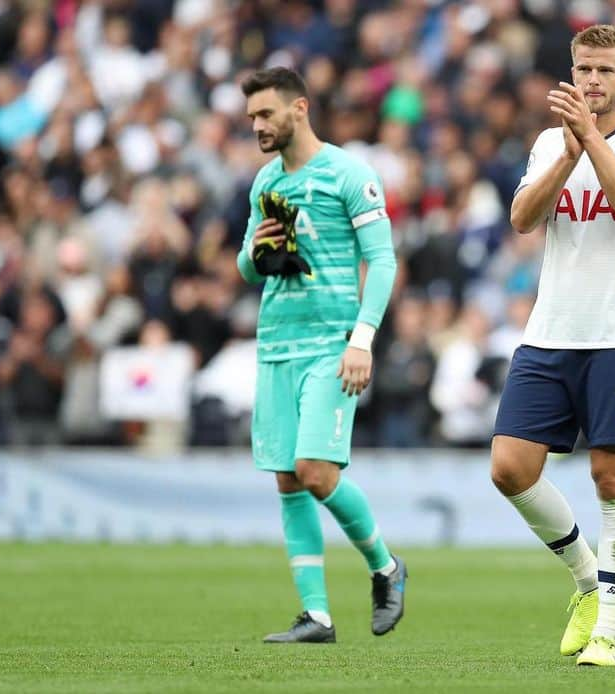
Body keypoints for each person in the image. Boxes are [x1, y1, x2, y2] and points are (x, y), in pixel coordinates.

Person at [489, 25, 615, 667]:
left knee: (612, 479)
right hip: (549, 333)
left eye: (604, 71)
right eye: (582, 70)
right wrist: (568, 152)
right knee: (509, 468)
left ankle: (610, 633)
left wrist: (591, 139)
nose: (591, 81)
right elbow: (521, 219)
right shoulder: (549, 143)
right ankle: (586, 581)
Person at [237, 67, 406, 644]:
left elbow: (382, 260)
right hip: (276, 342)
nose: (256, 124)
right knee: (288, 479)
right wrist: (259, 251)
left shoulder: (349, 174)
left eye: (265, 114)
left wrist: (362, 339)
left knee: (315, 470)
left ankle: (386, 567)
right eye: (252, 116)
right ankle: (317, 616)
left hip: (332, 346)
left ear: (299, 108)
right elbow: (243, 265)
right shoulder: (266, 183)